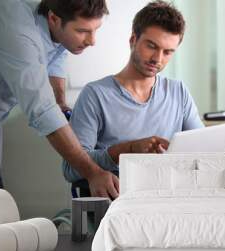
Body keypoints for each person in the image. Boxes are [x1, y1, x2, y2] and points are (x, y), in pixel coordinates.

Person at [0, 0, 119, 199]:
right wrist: (92, 172)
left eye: (96, 30)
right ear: (53, 18)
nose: (92, 41)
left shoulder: (56, 20)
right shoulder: (17, 29)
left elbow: (57, 54)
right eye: (82, 31)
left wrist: (60, 100)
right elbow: (42, 110)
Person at [63, 0, 204, 182]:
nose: (157, 59)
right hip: (121, 200)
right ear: (133, 40)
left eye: (168, 52)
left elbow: (202, 152)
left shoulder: (178, 92)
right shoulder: (95, 95)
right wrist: (126, 150)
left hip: (172, 195)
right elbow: (70, 169)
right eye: (151, 46)